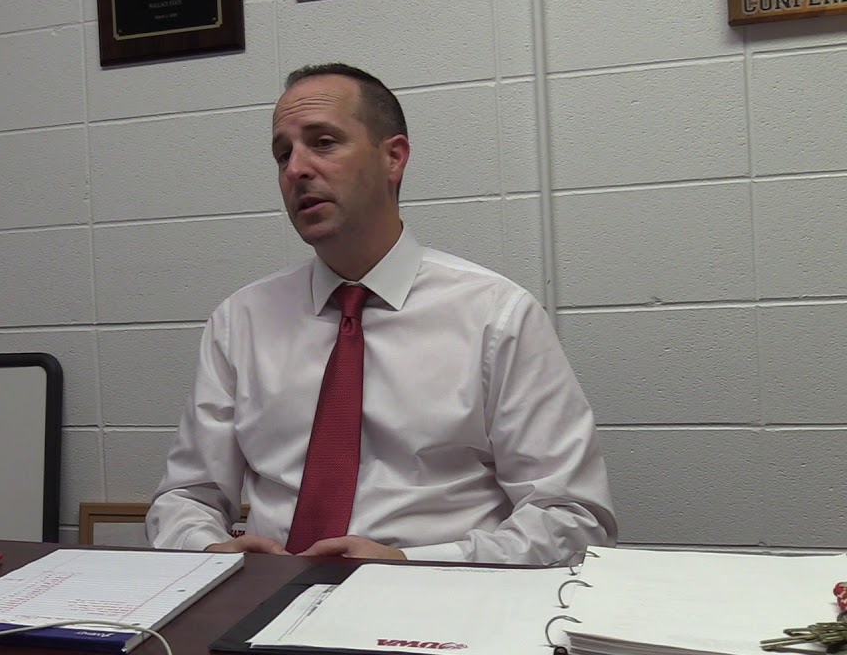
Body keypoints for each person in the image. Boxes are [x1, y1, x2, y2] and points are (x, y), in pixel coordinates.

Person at [144, 63, 617, 565]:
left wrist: (414, 564)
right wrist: (210, 550)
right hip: (264, 603)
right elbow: (184, 498)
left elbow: (573, 518)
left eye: (322, 142)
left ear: (393, 158)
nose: (296, 169)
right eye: (283, 153)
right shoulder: (240, 320)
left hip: (437, 605)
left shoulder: (495, 316)